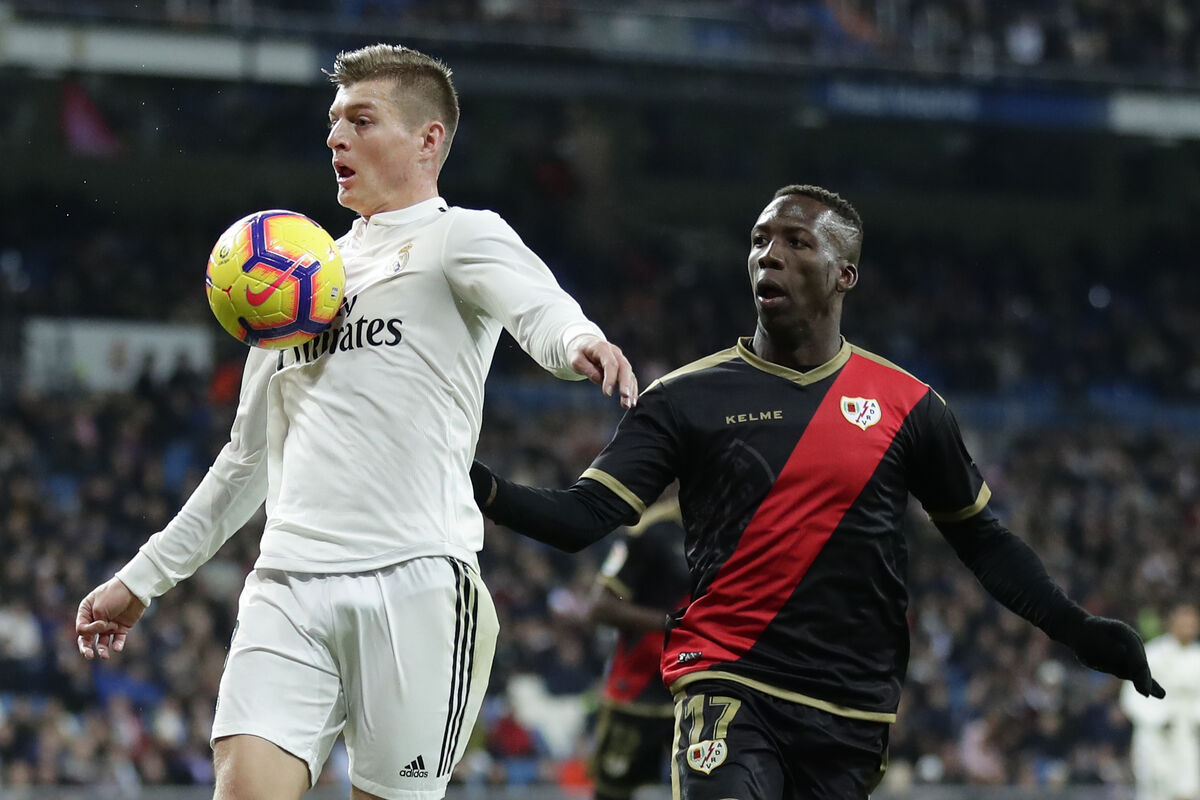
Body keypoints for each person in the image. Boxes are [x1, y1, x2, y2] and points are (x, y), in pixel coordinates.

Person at [469, 184, 1165, 799]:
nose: (768, 255)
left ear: (843, 274)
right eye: (759, 240)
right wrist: (473, 482)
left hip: (851, 705)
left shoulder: (910, 408)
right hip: (728, 679)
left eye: (796, 242)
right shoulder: (684, 398)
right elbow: (583, 516)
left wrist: (1076, 629)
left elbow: (982, 541)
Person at [74, 43, 637, 800]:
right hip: (288, 583)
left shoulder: (457, 237)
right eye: (334, 121)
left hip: (417, 580)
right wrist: (141, 580)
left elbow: (536, 306)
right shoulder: (290, 284)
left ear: (428, 140)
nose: (336, 137)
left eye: (361, 121)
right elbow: (244, 462)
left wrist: (578, 343)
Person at [587, 497, 689, 800]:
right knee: (611, 792)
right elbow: (599, 606)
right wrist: (674, 623)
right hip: (637, 690)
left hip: (695, 689)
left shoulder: (734, 526)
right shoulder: (649, 531)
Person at [1120, 603, 1200, 800]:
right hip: (1156, 736)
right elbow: (1132, 695)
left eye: (1192, 624)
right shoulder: (1153, 654)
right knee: (1154, 791)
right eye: (1184, 622)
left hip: (1189, 735)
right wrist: (1159, 718)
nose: (1188, 628)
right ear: (1172, 622)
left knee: (1189, 790)